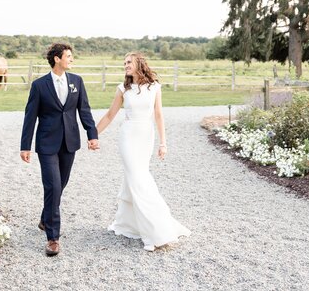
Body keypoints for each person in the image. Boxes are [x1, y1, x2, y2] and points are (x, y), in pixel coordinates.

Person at [96, 52, 190, 251]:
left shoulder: (154, 87)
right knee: (138, 179)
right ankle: (155, 231)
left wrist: (163, 143)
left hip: (146, 137)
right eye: (124, 63)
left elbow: (158, 115)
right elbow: (110, 115)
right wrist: (93, 134)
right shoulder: (123, 89)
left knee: (137, 178)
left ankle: (130, 224)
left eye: (129, 62)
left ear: (139, 63)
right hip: (128, 137)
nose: (125, 66)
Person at [20, 43, 99, 256]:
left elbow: (84, 109)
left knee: (61, 184)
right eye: (69, 56)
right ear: (57, 59)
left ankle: (46, 217)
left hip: (69, 142)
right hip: (46, 144)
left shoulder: (77, 81)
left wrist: (92, 134)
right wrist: (25, 145)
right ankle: (53, 238)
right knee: (53, 186)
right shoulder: (39, 85)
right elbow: (30, 117)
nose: (72, 59)